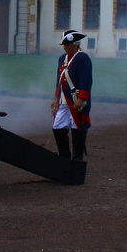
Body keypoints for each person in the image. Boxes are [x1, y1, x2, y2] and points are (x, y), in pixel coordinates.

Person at [51, 30, 93, 164]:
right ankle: (64, 157)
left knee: (77, 127)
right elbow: (59, 80)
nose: (66, 48)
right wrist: (56, 98)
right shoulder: (62, 59)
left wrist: (82, 99)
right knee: (57, 126)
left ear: (76, 44)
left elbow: (86, 80)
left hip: (76, 99)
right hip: (63, 100)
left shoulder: (83, 58)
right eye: (65, 45)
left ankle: (77, 159)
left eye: (69, 45)